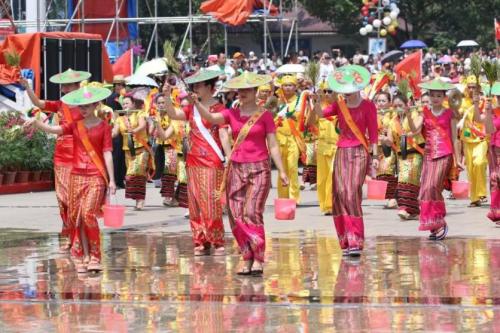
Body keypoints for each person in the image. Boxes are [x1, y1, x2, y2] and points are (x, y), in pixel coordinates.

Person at [190, 71, 289, 276]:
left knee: (252, 211)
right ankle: (246, 256)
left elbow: (274, 145)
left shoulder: (265, 116)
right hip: (236, 168)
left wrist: (282, 171)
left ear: (254, 92)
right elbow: (210, 117)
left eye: (246, 90)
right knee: (235, 215)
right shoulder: (231, 114)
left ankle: (258, 257)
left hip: (259, 168)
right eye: (239, 90)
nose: (242, 93)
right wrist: (197, 103)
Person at [24, 85, 116, 272]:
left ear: (96, 105)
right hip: (76, 175)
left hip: (96, 176)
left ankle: (96, 256)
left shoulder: (104, 126)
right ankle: (84, 254)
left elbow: (107, 153)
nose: (83, 109)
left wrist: (112, 179)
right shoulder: (75, 125)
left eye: (87, 106)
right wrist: (36, 123)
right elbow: (54, 129)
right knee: (77, 218)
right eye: (81, 106)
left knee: (89, 214)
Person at [20, 69, 91, 253]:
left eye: (69, 85)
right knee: (62, 199)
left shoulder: (86, 105)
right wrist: (28, 87)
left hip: (78, 153)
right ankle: (67, 234)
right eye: (63, 85)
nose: (65, 88)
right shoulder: (60, 104)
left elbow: (70, 128)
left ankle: (77, 237)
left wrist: (40, 125)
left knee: (74, 199)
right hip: (61, 155)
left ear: (77, 86)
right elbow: (37, 103)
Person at [313, 65, 379, 256]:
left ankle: (356, 239)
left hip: (359, 152)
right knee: (340, 194)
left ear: (358, 87)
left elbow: (373, 134)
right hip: (342, 152)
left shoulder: (368, 105)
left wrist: (374, 157)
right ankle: (346, 239)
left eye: (350, 90)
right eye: (345, 90)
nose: (347, 93)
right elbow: (320, 115)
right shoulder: (339, 105)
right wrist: (316, 101)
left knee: (352, 193)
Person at [163, 69, 228, 256]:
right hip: (192, 160)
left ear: (209, 87)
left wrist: (229, 155)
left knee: (211, 202)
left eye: (199, 85)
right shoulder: (190, 108)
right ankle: (200, 240)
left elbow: (223, 133)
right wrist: (167, 96)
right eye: (194, 86)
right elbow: (174, 114)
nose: (195, 88)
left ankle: (217, 240)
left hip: (212, 160)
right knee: (195, 203)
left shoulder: (219, 108)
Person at [406, 78, 463, 240]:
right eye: (433, 95)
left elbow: (455, 138)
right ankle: (432, 223)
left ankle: (439, 221)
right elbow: (415, 130)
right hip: (429, 155)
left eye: (439, 95)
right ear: (429, 96)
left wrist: (458, 160)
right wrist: (409, 115)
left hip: (444, 154)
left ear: (444, 97)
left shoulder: (450, 113)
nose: (435, 98)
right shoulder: (424, 112)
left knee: (432, 187)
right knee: (424, 190)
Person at [385, 94, 425, 220]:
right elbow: (390, 141)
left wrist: (408, 115)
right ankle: (411, 210)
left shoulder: (415, 115)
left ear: (407, 104)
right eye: (395, 106)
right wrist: (383, 140)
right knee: (403, 180)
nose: (398, 108)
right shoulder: (392, 121)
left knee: (410, 179)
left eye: (400, 105)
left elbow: (416, 131)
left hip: (415, 152)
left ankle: (405, 208)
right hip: (401, 154)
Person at [112, 93, 153, 210]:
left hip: (141, 148)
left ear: (133, 104)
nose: (125, 106)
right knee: (132, 176)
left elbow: (142, 125)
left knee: (137, 173)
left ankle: (140, 200)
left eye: (127, 103)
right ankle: (138, 199)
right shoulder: (119, 118)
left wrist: (133, 131)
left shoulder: (139, 113)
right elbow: (115, 132)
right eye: (123, 104)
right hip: (128, 151)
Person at [275, 75, 308, 203]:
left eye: (290, 85)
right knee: (281, 169)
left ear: (295, 87)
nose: (288, 88)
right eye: (285, 85)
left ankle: (294, 197)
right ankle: (283, 197)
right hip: (279, 139)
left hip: (293, 138)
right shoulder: (278, 102)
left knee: (293, 167)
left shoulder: (300, 100)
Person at [458, 76, 488, 206]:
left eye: (474, 86)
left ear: (479, 88)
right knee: (470, 168)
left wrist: (477, 103)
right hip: (467, 138)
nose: (471, 89)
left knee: (479, 162)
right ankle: (474, 198)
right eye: (469, 86)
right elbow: (456, 115)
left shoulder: (484, 101)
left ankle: (482, 193)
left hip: (481, 138)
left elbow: (481, 117)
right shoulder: (462, 102)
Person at [474, 81, 500, 224]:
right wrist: (477, 104)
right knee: (495, 181)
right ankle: (497, 213)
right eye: (499, 97)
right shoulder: (493, 112)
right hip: (494, 152)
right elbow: (479, 121)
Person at [314, 81, 339, 215]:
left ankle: (331, 205)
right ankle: (324, 205)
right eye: (325, 91)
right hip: (322, 146)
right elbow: (310, 122)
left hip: (336, 146)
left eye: (330, 91)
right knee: (322, 178)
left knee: (332, 176)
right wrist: (315, 103)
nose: (327, 94)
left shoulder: (341, 106)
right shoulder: (320, 107)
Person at [375, 91, 398, 209]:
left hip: (391, 147)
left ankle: (393, 197)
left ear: (389, 103)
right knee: (381, 174)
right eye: (379, 101)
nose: (381, 103)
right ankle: (392, 197)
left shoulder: (393, 115)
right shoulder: (375, 115)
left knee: (389, 170)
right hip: (378, 148)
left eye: (383, 101)